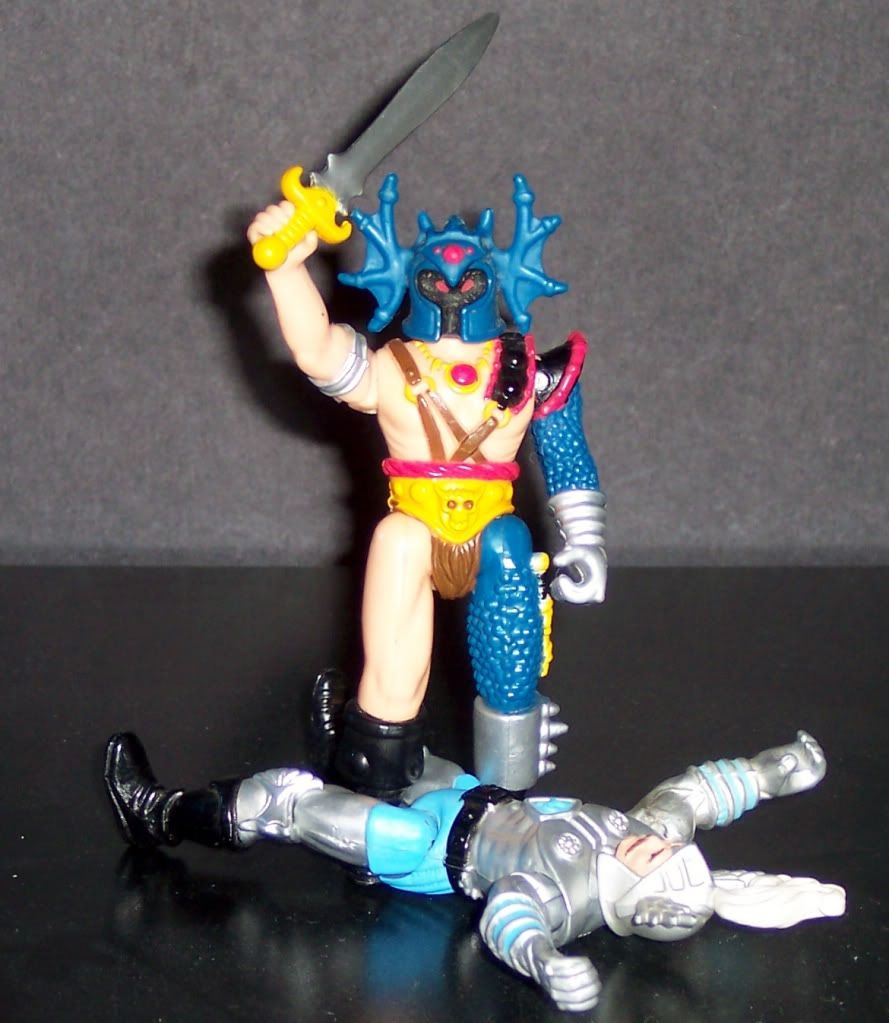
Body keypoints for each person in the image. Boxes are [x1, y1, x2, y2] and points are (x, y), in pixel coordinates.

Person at [247, 173, 607, 795]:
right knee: (394, 666)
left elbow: (567, 455)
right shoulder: (392, 367)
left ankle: (506, 789)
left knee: (511, 644)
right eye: (436, 281)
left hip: (493, 530)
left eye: (468, 280)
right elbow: (318, 351)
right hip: (413, 526)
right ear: (412, 282)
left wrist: (586, 540)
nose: (452, 291)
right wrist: (287, 271)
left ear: (494, 281)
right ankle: (376, 775)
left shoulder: (530, 372)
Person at [105, 729, 844, 1013]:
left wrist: (546, 962)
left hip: (426, 849)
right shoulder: (641, 834)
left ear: (636, 900)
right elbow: (693, 797)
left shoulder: (565, 897)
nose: (654, 840)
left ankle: (158, 812)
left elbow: (509, 918)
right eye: (664, 846)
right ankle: (345, 745)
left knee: (287, 801)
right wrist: (770, 770)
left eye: (655, 859)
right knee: (388, 742)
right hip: (467, 789)